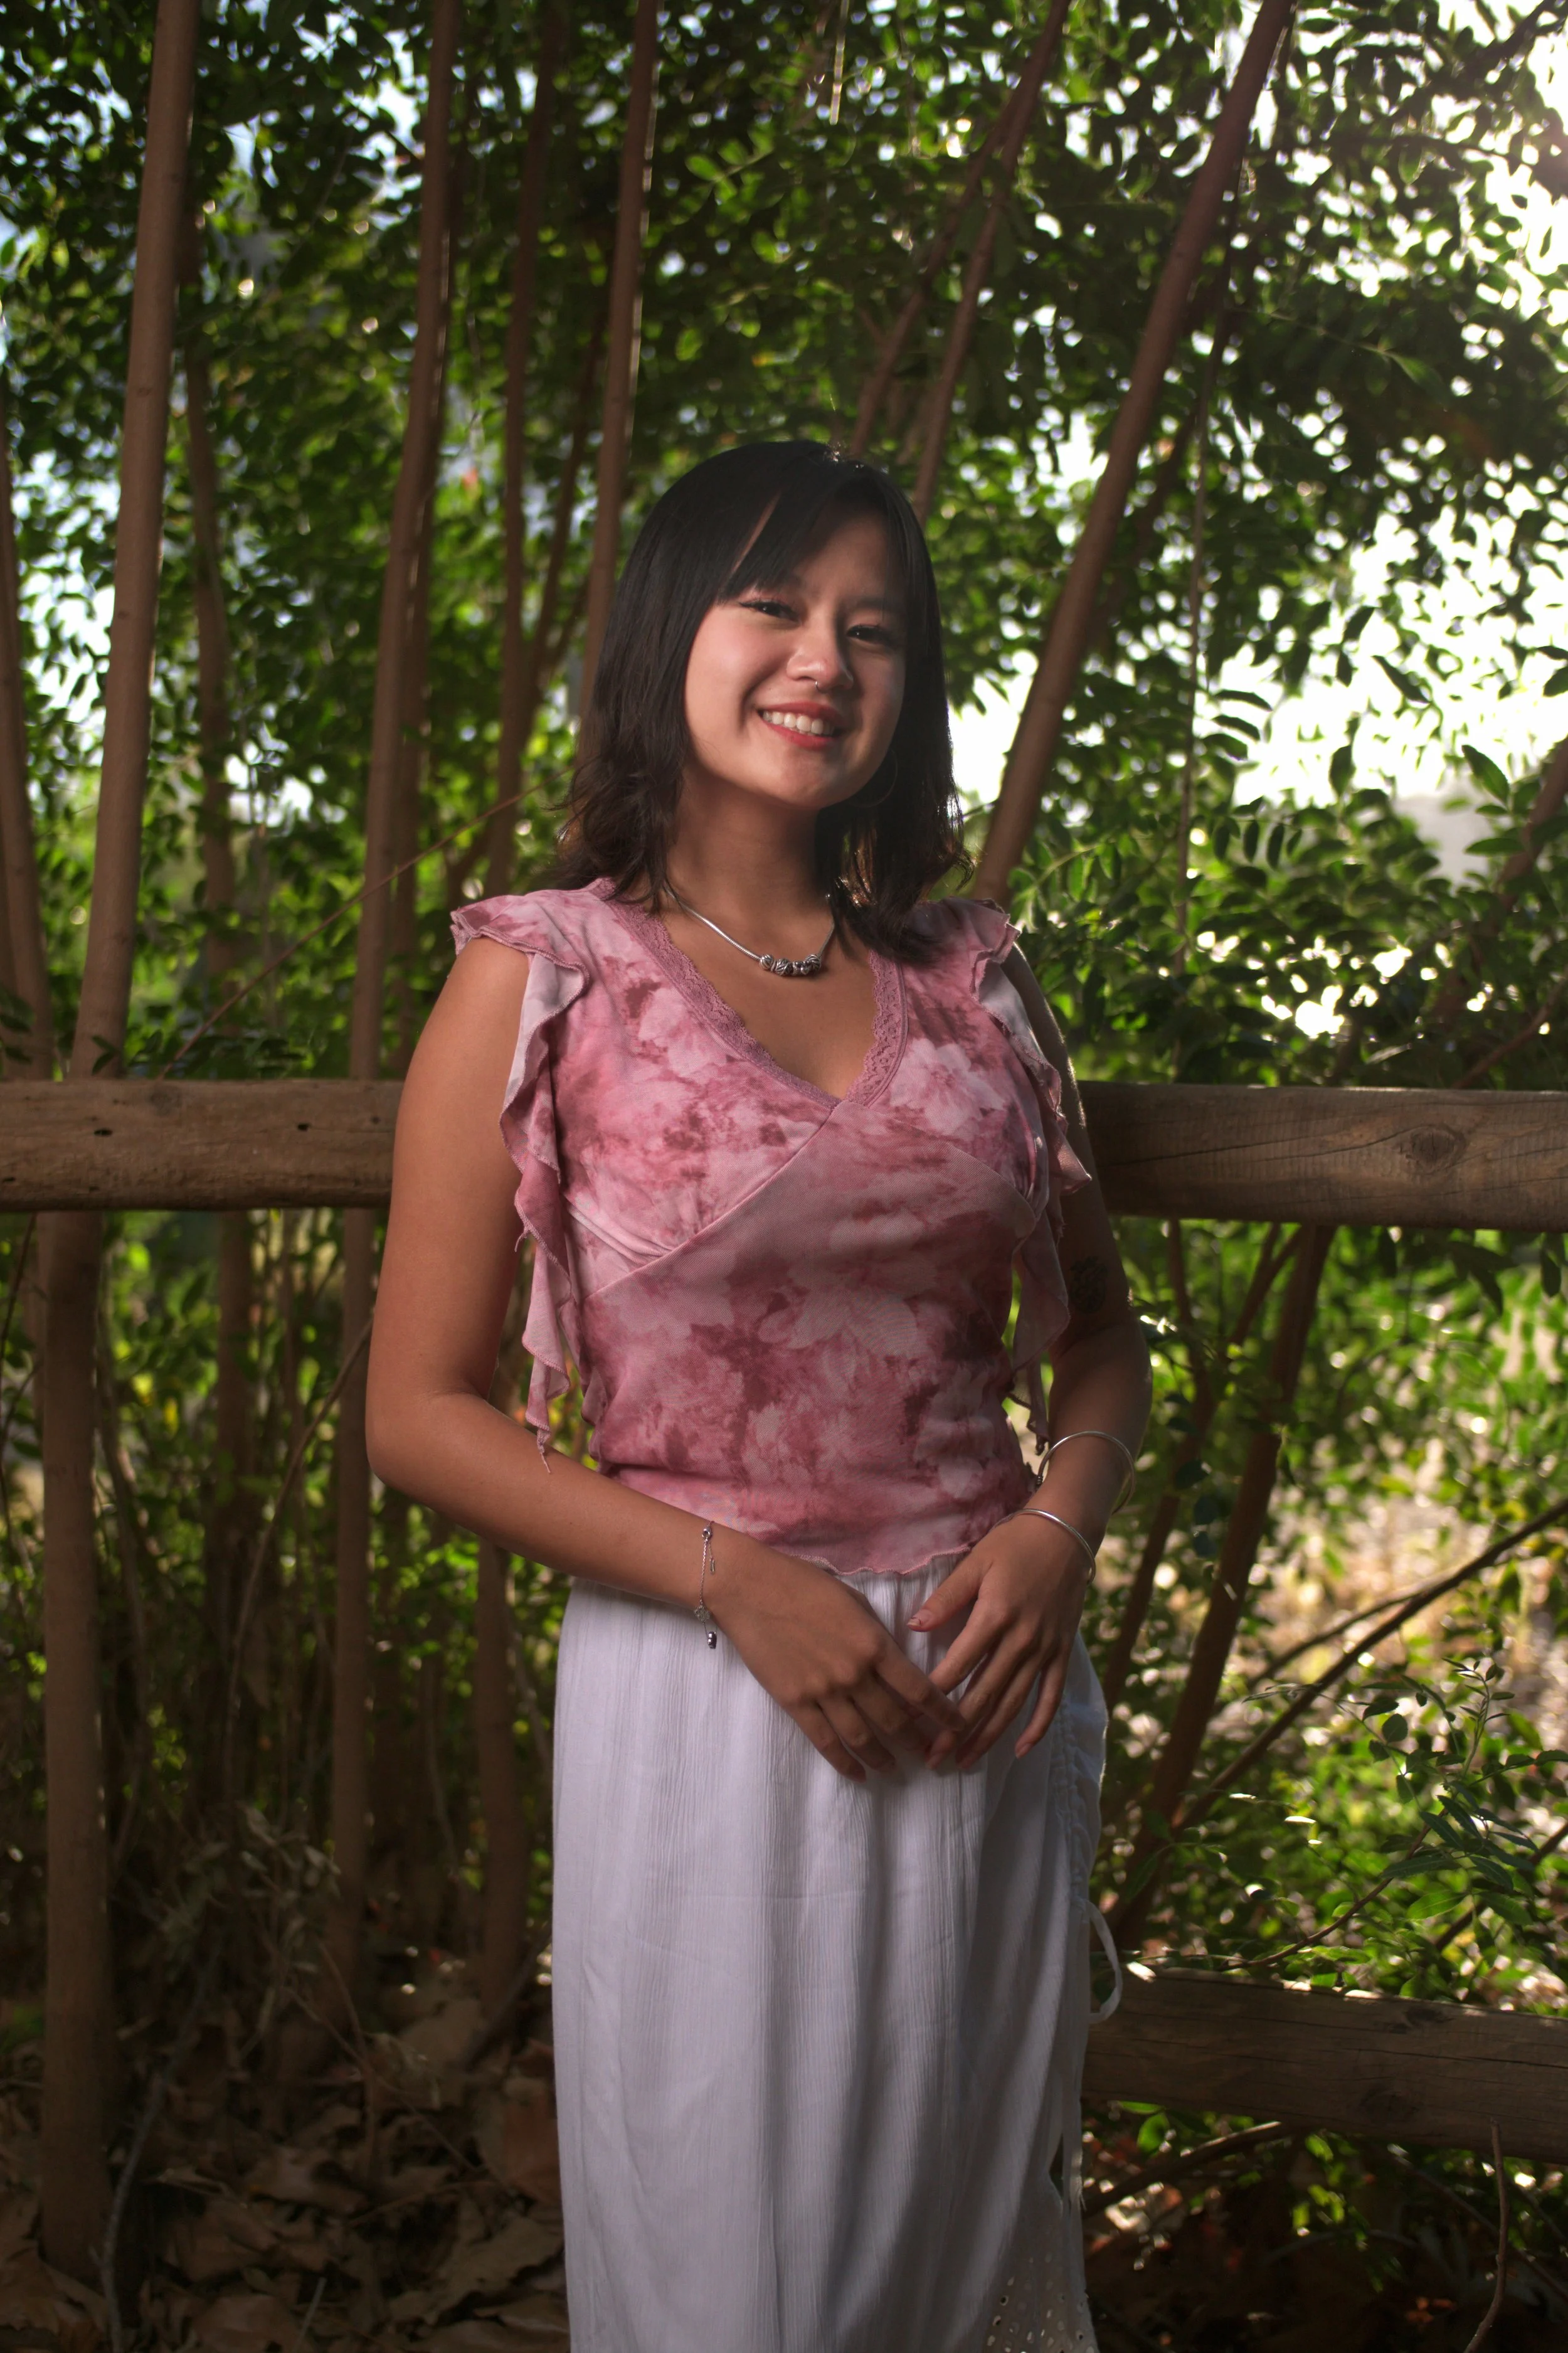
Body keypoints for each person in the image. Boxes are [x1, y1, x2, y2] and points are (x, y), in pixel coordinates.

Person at [366, 440, 1151, 2353]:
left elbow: (1103, 1343)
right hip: (702, 1699)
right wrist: (735, 1576)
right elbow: (414, 1408)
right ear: (667, 633)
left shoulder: (972, 980)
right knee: (738, 2291)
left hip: (987, 1694)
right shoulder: (546, 975)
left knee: (953, 2266)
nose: (823, 660)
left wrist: (1053, 1529)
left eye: (871, 629)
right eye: (774, 605)